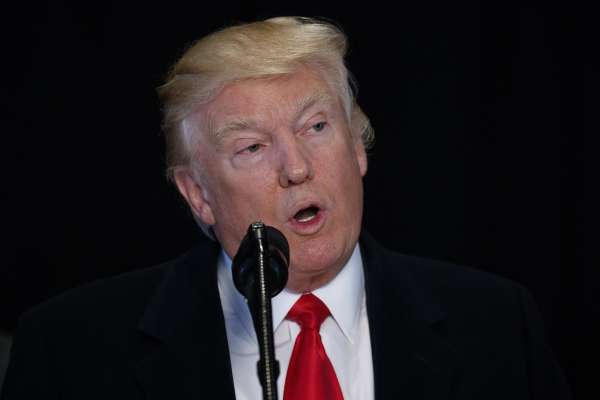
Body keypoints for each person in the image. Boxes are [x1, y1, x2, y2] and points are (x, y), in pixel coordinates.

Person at [1, 16, 570, 400]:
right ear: (197, 194)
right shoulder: (70, 350)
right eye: (251, 147)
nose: (296, 167)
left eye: (316, 127)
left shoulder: (497, 328)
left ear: (356, 146)